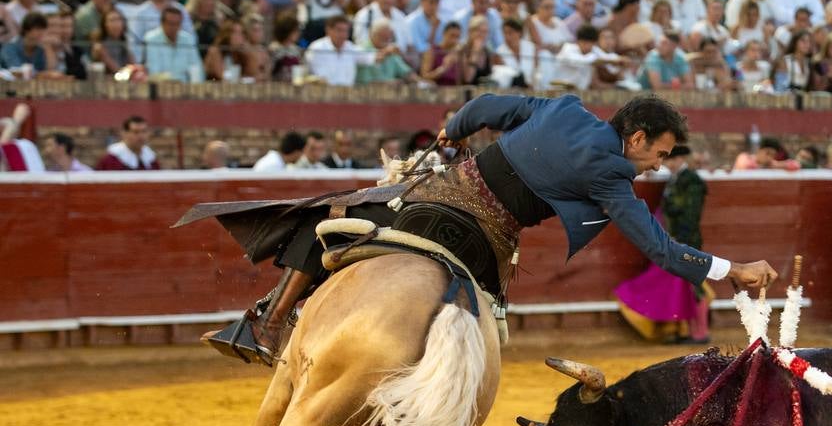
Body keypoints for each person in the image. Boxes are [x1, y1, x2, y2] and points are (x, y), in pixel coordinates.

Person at [200, 94, 777, 364]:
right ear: (636, 138)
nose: (659, 165)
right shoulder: (612, 176)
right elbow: (661, 250)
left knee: (333, 214)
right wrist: (736, 269)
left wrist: (451, 134)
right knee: (484, 331)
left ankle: (269, 323)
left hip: (438, 191)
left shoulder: (564, 108)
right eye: (660, 153)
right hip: (491, 240)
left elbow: (482, 107)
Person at [614, 144, 712, 344]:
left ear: (679, 159)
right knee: (684, 287)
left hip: (685, 241)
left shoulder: (691, 181)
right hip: (675, 241)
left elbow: (691, 216)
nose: (667, 164)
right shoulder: (677, 180)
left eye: (670, 160)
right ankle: (687, 332)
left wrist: (680, 241)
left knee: (695, 287)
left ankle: (701, 333)